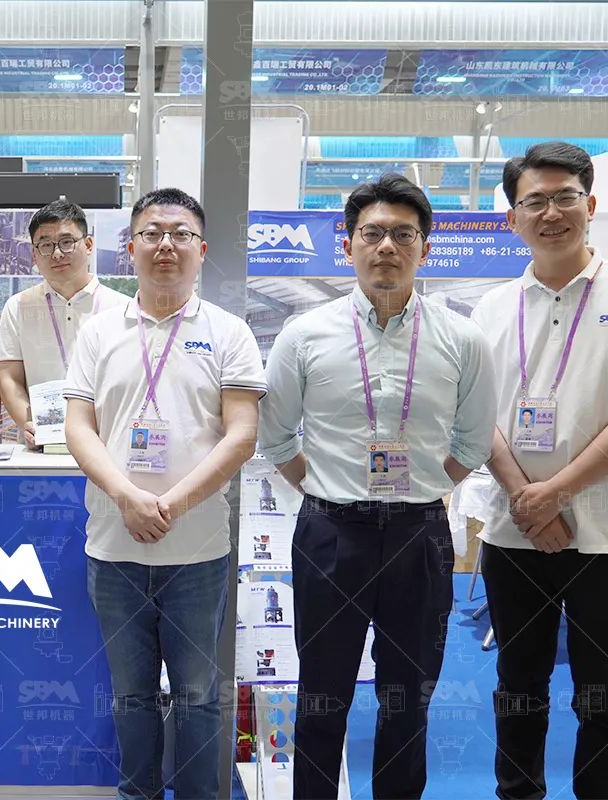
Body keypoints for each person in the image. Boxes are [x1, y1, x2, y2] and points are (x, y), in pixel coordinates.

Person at [258, 173, 496, 800]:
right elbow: (276, 436)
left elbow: (473, 441)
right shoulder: (304, 334)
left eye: (403, 235)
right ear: (347, 246)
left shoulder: (462, 338)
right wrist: (326, 490)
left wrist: (423, 487)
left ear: (425, 248)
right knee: (322, 693)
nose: (387, 246)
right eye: (372, 234)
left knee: (408, 697)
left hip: (420, 535)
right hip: (330, 533)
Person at [64, 188, 266, 800]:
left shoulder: (229, 332)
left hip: (197, 553)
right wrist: (126, 496)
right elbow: (79, 428)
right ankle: (139, 793)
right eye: (152, 233)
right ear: (129, 248)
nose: (166, 246)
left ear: (202, 250)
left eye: (181, 234)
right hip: (113, 548)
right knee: (131, 696)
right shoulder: (99, 332)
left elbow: (242, 435)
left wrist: (170, 505)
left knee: (198, 696)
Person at [471, 141, 608, 800]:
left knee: (600, 690)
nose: (550, 213)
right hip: (512, 532)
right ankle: (517, 793)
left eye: (564, 198)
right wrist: (527, 499)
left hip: (602, 535)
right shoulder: (491, 308)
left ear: (591, 204)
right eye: (534, 202)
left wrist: (555, 492)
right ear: (512, 218)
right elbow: (475, 415)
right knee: (518, 685)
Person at [0, 200, 130, 447]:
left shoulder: (124, 309)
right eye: (46, 245)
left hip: (107, 444)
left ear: (88, 245)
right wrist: (28, 423)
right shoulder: (17, 307)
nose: (57, 253)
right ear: (34, 254)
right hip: (41, 445)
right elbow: (10, 378)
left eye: (67, 242)